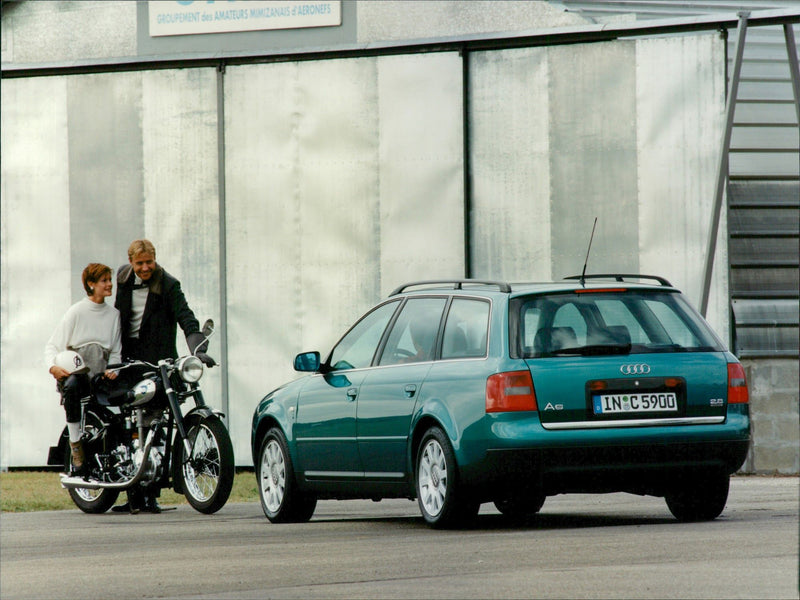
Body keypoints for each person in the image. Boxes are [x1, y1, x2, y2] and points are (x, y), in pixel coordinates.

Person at [113, 239, 213, 513]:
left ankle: (150, 494)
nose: (145, 268)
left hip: (157, 361)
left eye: (149, 262)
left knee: (156, 422)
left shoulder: (168, 284)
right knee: (130, 424)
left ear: (155, 260)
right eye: (140, 263)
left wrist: (198, 350)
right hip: (126, 358)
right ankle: (131, 491)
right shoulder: (122, 278)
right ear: (131, 263)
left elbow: (187, 318)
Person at [45, 263, 122, 476]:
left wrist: (114, 368)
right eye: (104, 281)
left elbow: (115, 351)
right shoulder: (76, 311)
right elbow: (52, 345)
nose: (109, 284)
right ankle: (76, 445)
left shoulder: (114, 315)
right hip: (78, 374)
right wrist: (53, 367)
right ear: (91, 284)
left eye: (110, 280)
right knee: (72, 386)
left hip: (102, 376)